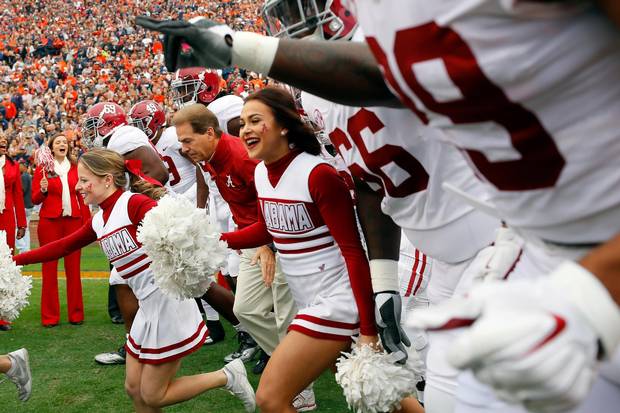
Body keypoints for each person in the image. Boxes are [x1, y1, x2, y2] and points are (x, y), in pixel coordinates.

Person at [138, 7, 620, 412]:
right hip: (458, 243)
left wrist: (591, 289)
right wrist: (383, 279)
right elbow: (372, 181)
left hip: (514, 235)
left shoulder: (317, 151)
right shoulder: (325, 95)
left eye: (255, 120)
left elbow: (383, 72)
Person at [14, 149, 256, 413]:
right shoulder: (99, 220)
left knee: (153, 395)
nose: (78, 186)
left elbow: (179, 226)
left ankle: (227, 376)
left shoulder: (133, 204)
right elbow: (61, 247)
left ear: (107, 179)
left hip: (167, 305)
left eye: (85, 180)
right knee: (134, 388)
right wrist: (15, 260)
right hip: (147, 310)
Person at [211, 86, 380, 413]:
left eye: (255, 120)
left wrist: (368, 330)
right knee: (371, 391)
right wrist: (215, 239)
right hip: (308, 300)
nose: (245, 129)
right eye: (242, 122)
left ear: (284, 125)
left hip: (337, 299)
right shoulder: (261, 172)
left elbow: (353, 251)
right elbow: (266, 228)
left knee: (270, 398)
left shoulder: (317, 173)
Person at [173, 102, 299, 384]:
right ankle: (286, 360)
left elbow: (273, 198)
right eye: (181, 141)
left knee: (284, 316)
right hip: (250, 236)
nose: (183, 148)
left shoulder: (241, 157)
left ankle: (296, 377)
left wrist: (268, 245)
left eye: (187, 140)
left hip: (273, 238)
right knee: (246, 310)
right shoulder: (209, 157)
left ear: (209, 133)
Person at [81, 101, 168, 365]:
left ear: (108, 123)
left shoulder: (123, 136)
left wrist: (128, 204)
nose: (91, 132)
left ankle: (240, 329)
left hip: (148, 217)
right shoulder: (118, 140)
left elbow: (159, 173)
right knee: (123, 281)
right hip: (137, 217)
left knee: (194, 283)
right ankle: (135, 345)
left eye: (94, 125)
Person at [32, 133, 90, 327]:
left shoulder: (77, 168)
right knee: (49, 270)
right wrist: (43, 190)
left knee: (73, 270)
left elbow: (83, 196)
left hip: (73, 222)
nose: (62, 144)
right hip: (50, 223)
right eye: (58, 142)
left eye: (64, 142)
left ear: (68, 147)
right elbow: (34, 199)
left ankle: (76, 315)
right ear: (51, 147)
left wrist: (88, 223)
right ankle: (50, 317)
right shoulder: (43, 169)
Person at [0, 134, 27, 332]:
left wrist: (22, 224)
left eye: (4, 141)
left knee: (5, 267)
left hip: (7, 217)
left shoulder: (13, 166)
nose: (2, 143)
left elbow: (18, 195)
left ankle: (2, 316)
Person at [14, 161, 32, 253]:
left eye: (20, 165)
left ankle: (22, 248)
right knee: (26, 228)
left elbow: (21, 190)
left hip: (24, 206)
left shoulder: (24, 176)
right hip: (28, 205)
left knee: (17, 227)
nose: (18, 167)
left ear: (24, 167)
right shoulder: (27, 175)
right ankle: (26, 249)